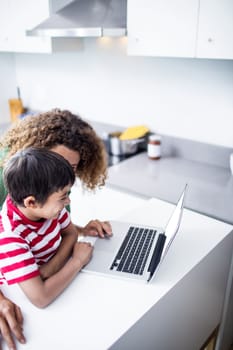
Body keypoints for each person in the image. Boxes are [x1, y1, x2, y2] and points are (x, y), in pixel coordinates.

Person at [0, 147, 95, 308]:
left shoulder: (45, 205)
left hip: (53, 279)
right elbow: (41, 298)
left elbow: (71, 234)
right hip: (21, 299)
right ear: (31, 202)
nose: (68, 202)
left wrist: (46, 272)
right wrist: (77, 261)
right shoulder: (10, 236)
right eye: (63, 196)